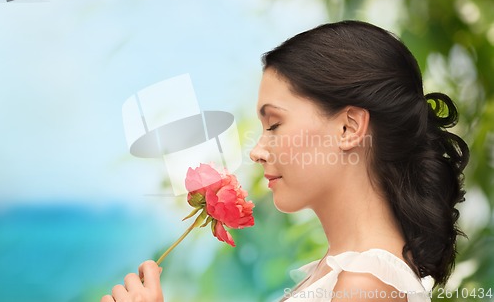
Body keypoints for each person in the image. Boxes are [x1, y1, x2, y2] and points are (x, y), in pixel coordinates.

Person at [101, 20, 469, 302]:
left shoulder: (363, 283)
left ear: (348, 127)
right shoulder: (345, 270)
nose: (257, 150)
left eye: (275, 124)